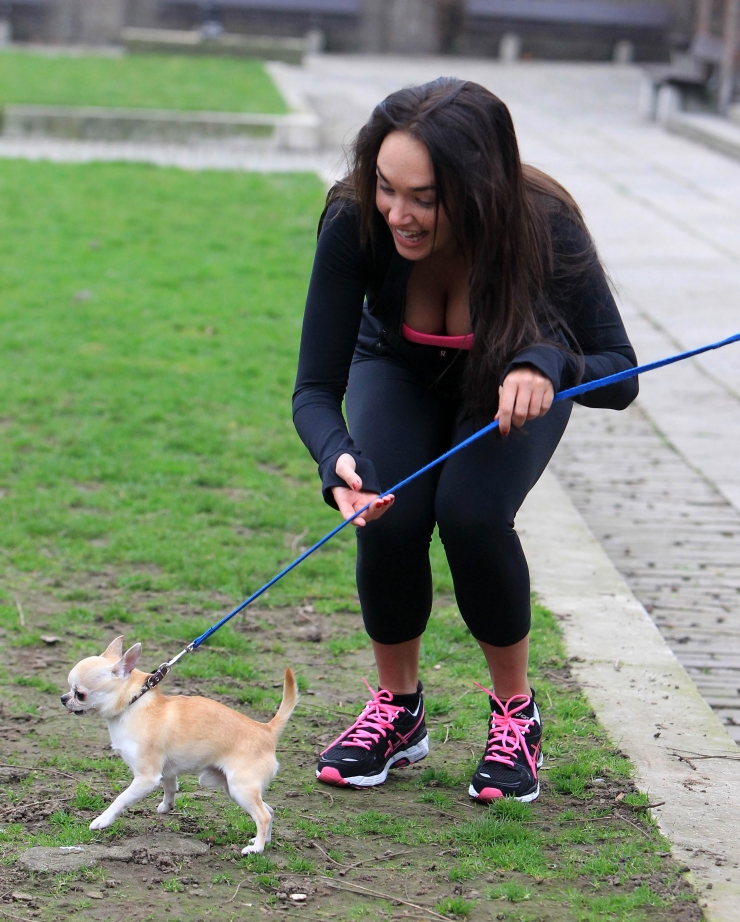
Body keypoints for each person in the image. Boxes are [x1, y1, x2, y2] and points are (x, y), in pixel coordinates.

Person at [292, 78, 637, 803]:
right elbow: (315, 390)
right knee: (389, 512)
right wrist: (336, 460)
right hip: (398, 368)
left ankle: (515, 713)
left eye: (424, 198)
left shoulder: (544, 225)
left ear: (478, 190)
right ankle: (398, 710)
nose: (398, 214)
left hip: (512, 384)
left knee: (472, 514)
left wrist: (550, 365)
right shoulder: (355, 221)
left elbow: (622, 375)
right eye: (387, 187)